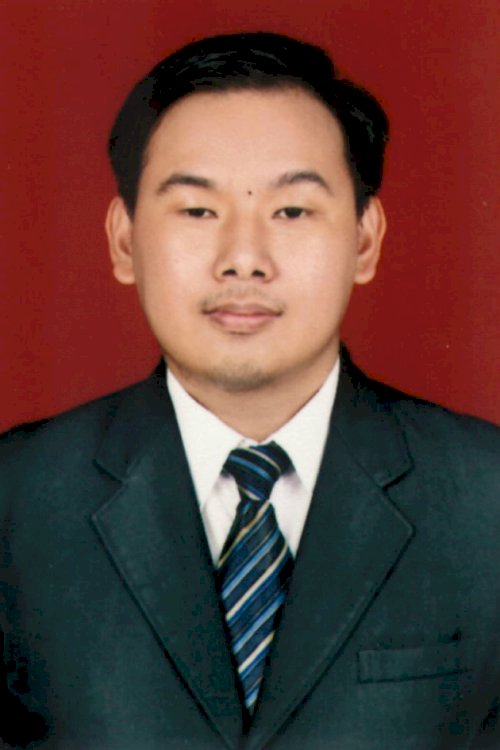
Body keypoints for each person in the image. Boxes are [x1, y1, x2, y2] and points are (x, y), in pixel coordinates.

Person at [0, 31, 498, 750]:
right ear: (123, 239)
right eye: (197, 211)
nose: (244, 259)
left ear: (364, 240)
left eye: (291, 212)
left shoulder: (486, 501)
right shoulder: (16, 502)